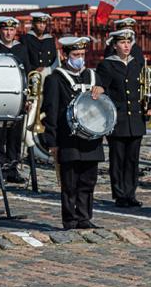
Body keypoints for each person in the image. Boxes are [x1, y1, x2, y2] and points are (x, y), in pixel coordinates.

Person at [40, 37, 104, 229]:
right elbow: (50, 111)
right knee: (70, 182)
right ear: (64, 55)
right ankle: (70, 220)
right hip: (68, 139)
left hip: (91, 138)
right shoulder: (55, 79)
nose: (80, 58)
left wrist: (102, 90)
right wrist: (51, 141)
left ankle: (84, 218)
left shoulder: (92, 76)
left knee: (88, 180)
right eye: (75, 55)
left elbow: (105, 105)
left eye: (82, 55)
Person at [93, 29, 151, 208]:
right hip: (118, 119)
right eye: (122, 42)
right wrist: (100, 88)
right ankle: (120, 194)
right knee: (118, 158)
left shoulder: (138, 64)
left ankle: (131, 193)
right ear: (115, 45)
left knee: (132, 159)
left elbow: (147, 87)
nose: (126, 45)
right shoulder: (107, 65)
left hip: (136, 118)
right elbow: (101, 87)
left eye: (129, 42)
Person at [0, 16, 31, 184]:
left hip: (17, 98)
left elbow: (27, 74)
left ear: (16, 31)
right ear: (0, 30)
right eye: (5, 30)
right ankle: (0, 169)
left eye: (11, 30)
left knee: (15, 136)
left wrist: (27, 97)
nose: (8, 33)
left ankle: (13, 168)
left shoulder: (21, 49)